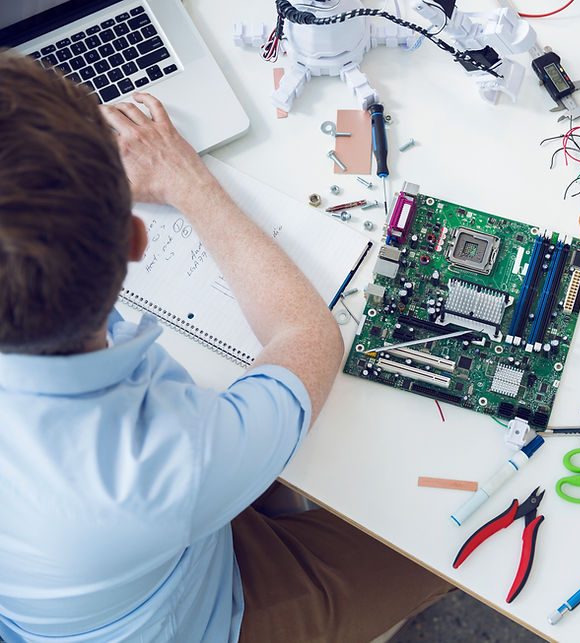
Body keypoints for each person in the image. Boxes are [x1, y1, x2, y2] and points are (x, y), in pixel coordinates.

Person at [0, 51, 450, 642]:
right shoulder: (163, 464)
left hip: (83, 582)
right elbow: (307, 337)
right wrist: (187, 182)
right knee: (446, 545)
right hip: (203, 611)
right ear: (137, 239)